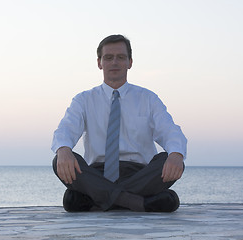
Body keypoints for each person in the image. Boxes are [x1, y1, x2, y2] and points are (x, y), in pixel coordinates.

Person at [51, 34, 187, 212]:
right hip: (97, 174)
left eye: (121, 57)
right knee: (59, 159)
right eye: (108, 57)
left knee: (168, 158)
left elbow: (170, 131)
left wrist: (176, 154)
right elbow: (65, 129)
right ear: (99, 63)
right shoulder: (83, 100)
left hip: (140, 174)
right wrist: (64, 150)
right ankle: (136, 202)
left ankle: (96, 200)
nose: (114, 62)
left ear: (130, 62)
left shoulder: (148, 99)